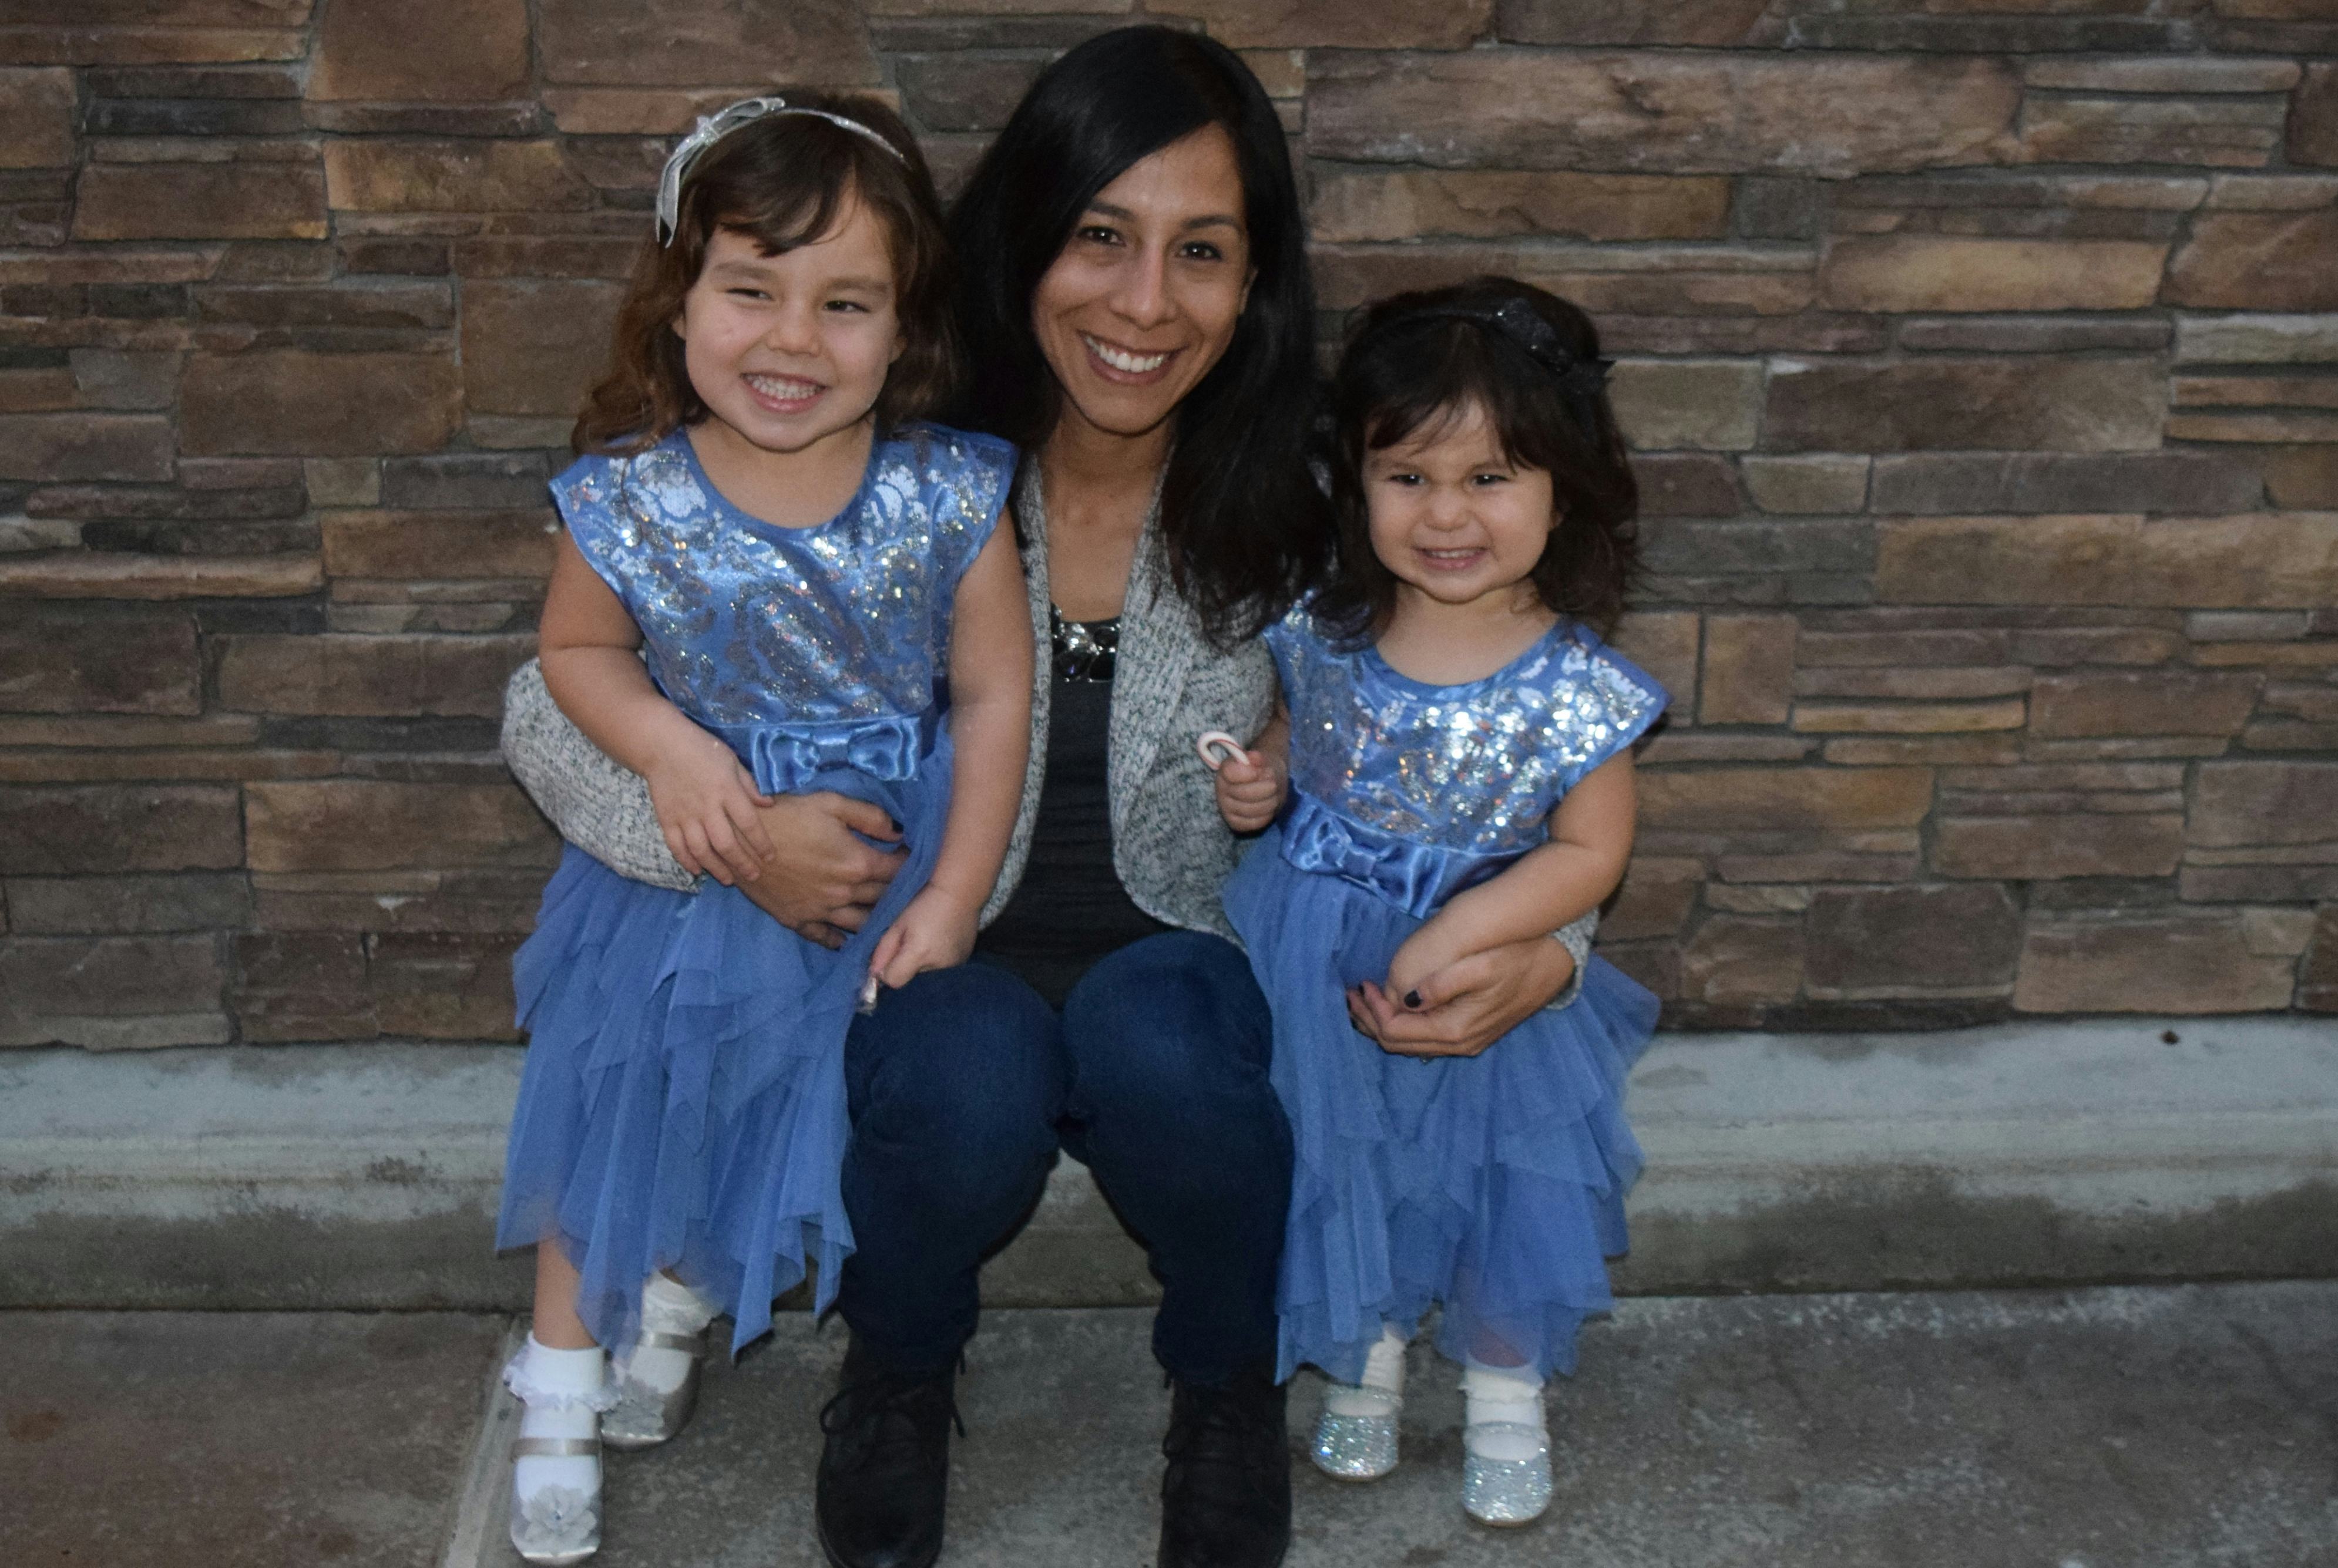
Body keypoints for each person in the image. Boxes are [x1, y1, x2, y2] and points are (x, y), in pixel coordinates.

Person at [499, 29, 1595, 1568]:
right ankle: (895, 1379)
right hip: (918, 947)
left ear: (1253, 281)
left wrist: (1553, 948)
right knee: (962, 1064)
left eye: (1199, 250)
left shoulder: (1319, 501)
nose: (1144, 302)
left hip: (1190, 956)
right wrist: (732, 842)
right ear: (1019, 240)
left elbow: (1485, 739)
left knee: (1169, 1042)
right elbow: (548, 701)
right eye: (1099, 235)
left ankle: (1223, 1392)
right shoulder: (871, 442)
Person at [492, 93, 1030, 1565]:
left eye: (844, 302)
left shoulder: (949, 493)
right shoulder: (629, 499)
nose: (793, 339)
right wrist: (669, 749)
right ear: (680, 302)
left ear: (902, 328)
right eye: (751, 289)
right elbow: (577, 653)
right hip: (691, 863)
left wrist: (958, 891)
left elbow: (994, 695)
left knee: (784, 1105)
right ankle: (555, 1386)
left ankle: (677, 1304)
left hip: (879, 859)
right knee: (624, 1105)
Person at [1214, 277, 1664, 1527]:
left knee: (1494, 1187)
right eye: (1407, 476)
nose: (1446, 513)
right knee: (1342, 1159)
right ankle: (1362, 1356)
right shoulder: (1324, 632)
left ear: (1561, 489)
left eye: (1489, 478)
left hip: (1482, 960)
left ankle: (1505, 1390)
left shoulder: (1574, 685)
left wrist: (1463, 928)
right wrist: (1260, 783)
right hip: (1317, 953)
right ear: (1354, 484)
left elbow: (1591, 853)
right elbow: (1296, 741)